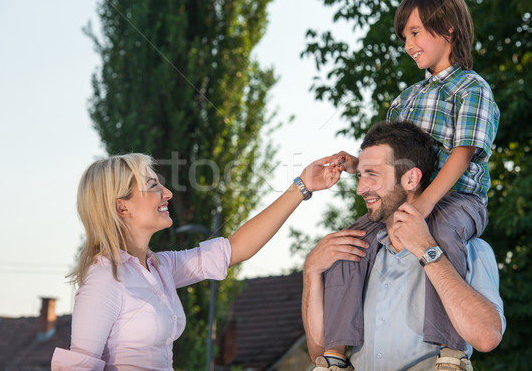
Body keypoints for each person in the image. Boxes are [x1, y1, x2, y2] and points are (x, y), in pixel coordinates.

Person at [315, 0, 500, 370]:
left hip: (456, 199)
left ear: (447, 29)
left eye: (415, 33)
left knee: (443, 232)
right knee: (348, 242)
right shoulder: (405, 98)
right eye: (404, 37)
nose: (407, 44)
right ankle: (334, 354)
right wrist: (357, 165)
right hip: (409, 200)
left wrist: (427, 202)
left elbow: (464, 153)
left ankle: (449, 351)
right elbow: (391, 158)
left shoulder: (471, 87)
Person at [51, 152, 342, 370]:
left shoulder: (160, 268)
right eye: (152, 186)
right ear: (121, 206)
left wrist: (303, 185)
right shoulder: (104, 277)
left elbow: (236, 248)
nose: (167, 193)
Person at [303, 121, 505, 371]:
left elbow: (487, 337)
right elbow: (319, 352)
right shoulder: (353, 254)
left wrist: (428, 251)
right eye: (361, 175)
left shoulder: (471, 249)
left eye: (372, 175)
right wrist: (311, 271)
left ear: (411, 178)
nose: (360, 189)